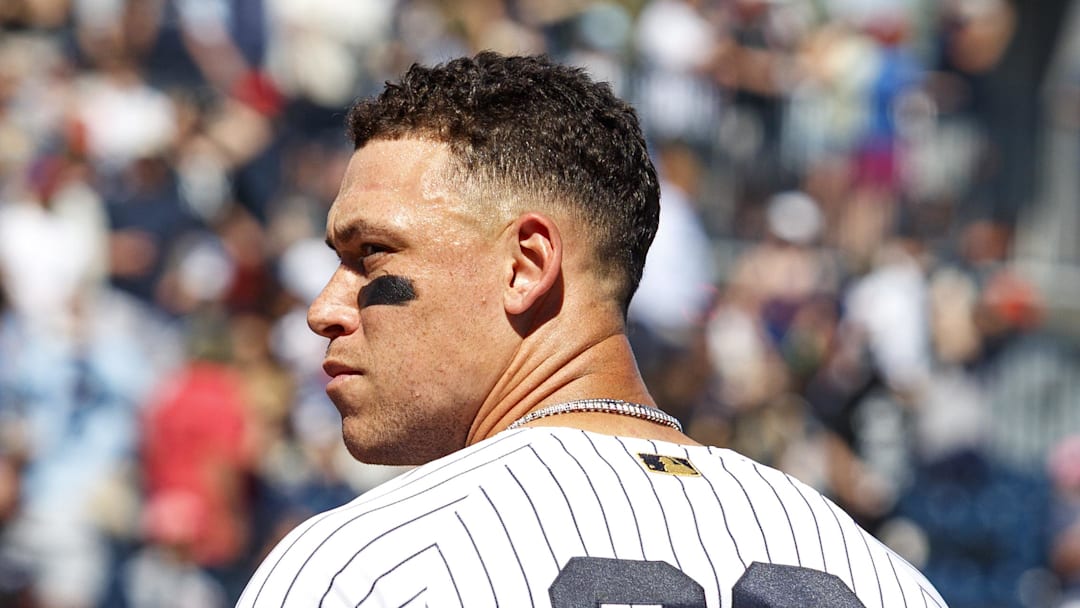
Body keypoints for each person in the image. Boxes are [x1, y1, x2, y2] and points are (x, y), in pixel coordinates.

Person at [236, 52, 947, 608]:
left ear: (527, 266)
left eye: (371, 256)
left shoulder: (368, 567)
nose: (324, 307)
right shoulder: (876, 572)